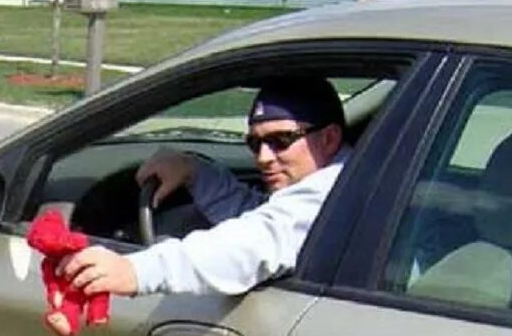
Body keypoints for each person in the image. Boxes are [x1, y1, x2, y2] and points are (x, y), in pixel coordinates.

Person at [59, 77, 351, 297]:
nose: (263, 157)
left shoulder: (334, 193)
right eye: (254, 143)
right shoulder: (354, 175)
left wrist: (138, 270)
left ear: (328, 138)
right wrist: (194, 172)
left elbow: (256, 242)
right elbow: (263, 213)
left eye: (281, 141)